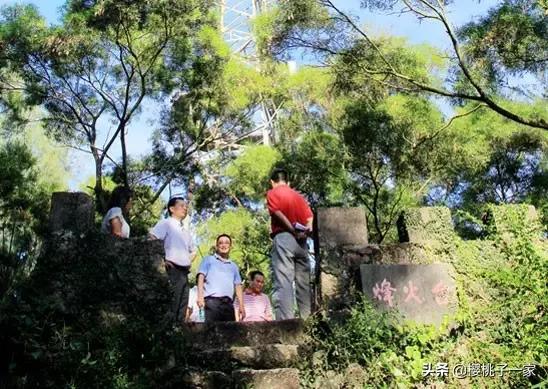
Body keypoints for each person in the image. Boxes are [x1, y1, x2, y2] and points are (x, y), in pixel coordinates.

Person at [266, 168, 313, 320]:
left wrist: (292, 230)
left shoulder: (272, 193)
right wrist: (305, 232)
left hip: (285, 237)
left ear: (272, 182)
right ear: (288, 182)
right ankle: (307, 319)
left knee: (284, 280)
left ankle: (286, 322)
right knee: (303, 282)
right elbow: (310, 218)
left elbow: (277, 213)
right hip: (302, 242)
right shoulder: (299, 197)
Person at [149, 197, 196, 324]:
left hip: (184, 272)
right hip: (171, 269)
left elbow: (193, 251)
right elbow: (152, 238)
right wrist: (162, 260)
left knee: (183, 304)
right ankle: (168, 335)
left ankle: (178, 334)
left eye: (186, 206)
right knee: (172, 304)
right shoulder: (166, 223)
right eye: (181, 205)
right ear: (171, 209)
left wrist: (188, 261)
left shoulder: (185, 231)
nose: (185, 208)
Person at [196, 234, 245, 322]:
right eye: (221, 243)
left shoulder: (233, 266)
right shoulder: (208, 260)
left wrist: (241, 305)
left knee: (229, 333)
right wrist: (200, 297)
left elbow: (238, 286)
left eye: (227, 243)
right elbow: (200, 278)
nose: (224, 245)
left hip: (228, 304)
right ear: (217, 246)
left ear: (230, 246)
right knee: (211, 332)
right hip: (211, 302)